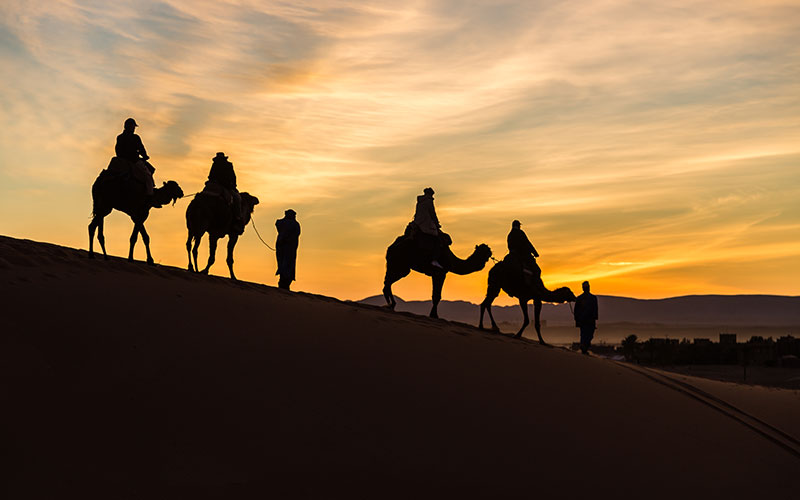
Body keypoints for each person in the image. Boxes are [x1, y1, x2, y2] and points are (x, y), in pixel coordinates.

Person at [115, 118, 157, 204]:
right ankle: (150, 196)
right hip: (134, 161)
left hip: (121, 161)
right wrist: (145, 156)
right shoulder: (135, 138)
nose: (134, 128)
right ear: (129, 127)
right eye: (133, 127)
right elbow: (141, 149)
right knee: (148, 175)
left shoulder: (119, 137)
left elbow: (117, 150)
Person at [206, 152, 243, 230]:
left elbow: (210, 176)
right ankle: (237, 218)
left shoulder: (216, 164)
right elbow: (233, 177)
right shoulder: (227, 165)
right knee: (237, 198)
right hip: (222, 186)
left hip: (219, 185)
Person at [413, 187, 443, 269]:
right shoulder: (429, 201)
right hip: (426, 224)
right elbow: (433, 214)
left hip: (417, 223)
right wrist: (437, 224)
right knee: (437, 239)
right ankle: (434, 259)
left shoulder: (419, 202)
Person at [275, 209, 301, 290]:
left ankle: (284, 282)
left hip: (288, 247)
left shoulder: (281, 223)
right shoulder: (294, 224)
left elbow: (278, 224)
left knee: (285, 264)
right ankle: (284, 283)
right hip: (287, 248)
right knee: (286, 264)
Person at [574, 281, 599, 354]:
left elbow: (595, 309)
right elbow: (576, 310)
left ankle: (584, 346)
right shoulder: (581, 298)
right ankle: (584, 347)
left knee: (588, 334)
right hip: (585, 320)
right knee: (585, 334)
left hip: (588, 320)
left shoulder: (592, 298)